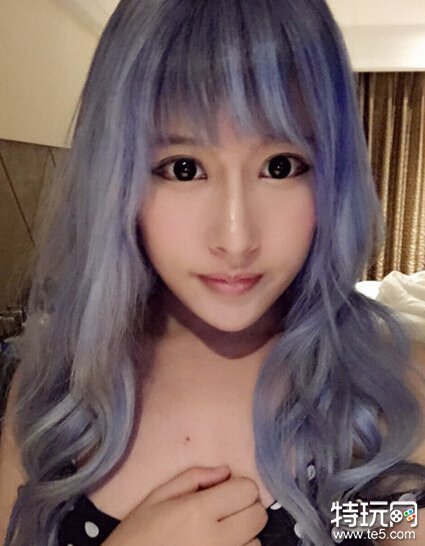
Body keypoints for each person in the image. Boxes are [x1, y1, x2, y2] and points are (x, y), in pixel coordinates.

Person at [1, 0, 425, 544]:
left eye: (280, 166)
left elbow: (397, 522)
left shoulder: (393, 387)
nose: (236, 239)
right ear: (116, 178)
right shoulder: (54, 393)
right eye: (184, 169)